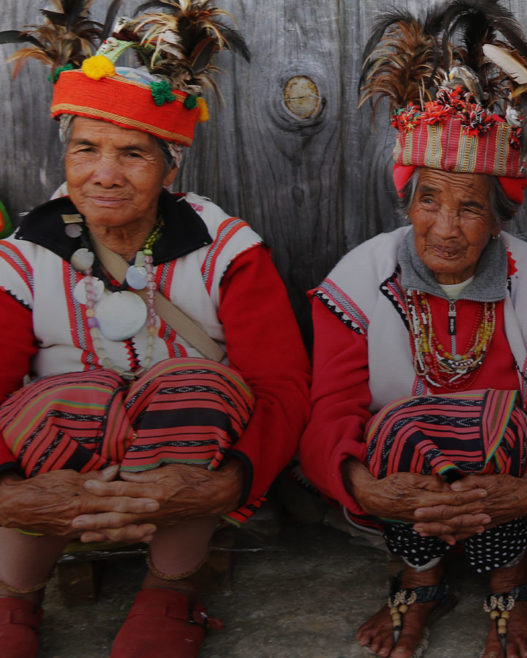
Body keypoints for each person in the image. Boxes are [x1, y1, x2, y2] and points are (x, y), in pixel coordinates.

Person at [0, 5, 309, 657]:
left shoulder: (226, 251)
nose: (105, 174)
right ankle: (16, 595)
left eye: (132, 153)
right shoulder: (24, 255)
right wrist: (9, 492)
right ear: (67, 153)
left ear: (171, 168)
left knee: (194, 386)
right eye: (86, 149)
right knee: (58, 397)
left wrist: (226, 482)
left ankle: (171, 589)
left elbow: (281, 388)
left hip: (183, 462)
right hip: (61, 470)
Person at [298, 4, 527, 658]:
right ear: (408, 200)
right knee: (399, 428)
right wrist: (361, 483)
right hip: (403, 481)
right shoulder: (359, 279)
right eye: (429, 199)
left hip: (508, 484)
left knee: (502, 426)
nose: (446, 227)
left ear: (500, 217)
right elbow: (331, 409)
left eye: (470, 206)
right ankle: (420, 578)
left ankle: (509, 578)